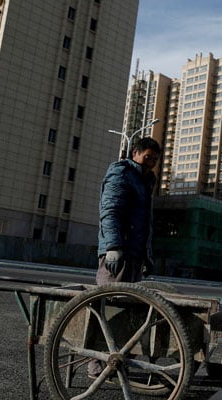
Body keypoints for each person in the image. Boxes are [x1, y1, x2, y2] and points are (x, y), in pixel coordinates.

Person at [88, 136, 161, 378]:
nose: (151, 162)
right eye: (147, 157)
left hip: (134, 254)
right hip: (117, 254)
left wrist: (146, 257)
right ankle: (96, 365)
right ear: (135, 153)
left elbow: (145, 223)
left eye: (154, 159)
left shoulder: (145, 180)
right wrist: (113, 246)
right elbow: (110, 209)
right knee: (108, 309)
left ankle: (117, 361)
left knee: (126, 311)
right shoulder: (121, 173)